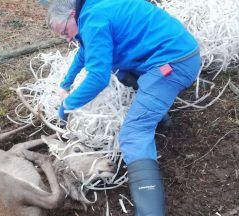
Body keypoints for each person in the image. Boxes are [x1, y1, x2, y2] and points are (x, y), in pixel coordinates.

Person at [47, 0, 201, 215]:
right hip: (171, 54)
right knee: (120, 72)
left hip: (173, 63)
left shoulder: (93, 20)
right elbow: (85, 52)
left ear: (72, 15)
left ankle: (150, 213)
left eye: (65, 32)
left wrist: (68, 104)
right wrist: (65, 83)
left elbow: (98, 78)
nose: (66, 39)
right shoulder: (92, 11)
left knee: (133, 134)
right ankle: (159, 115)